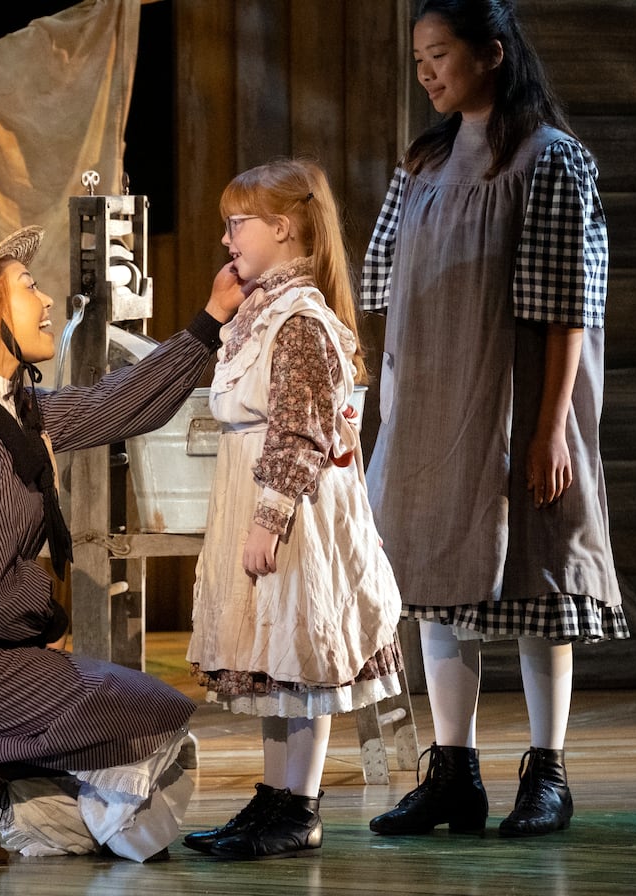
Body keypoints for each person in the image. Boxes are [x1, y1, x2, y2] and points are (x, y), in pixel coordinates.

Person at [0, 226, 245, 864]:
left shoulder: (10, 406)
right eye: (28, 287)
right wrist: (48, 615)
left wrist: (209, 322)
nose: (46, 301)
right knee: (148, 717)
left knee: (142, 717)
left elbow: (114, 406)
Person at [362, 0, 629, 840]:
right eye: (418, 58)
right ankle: (454, 774)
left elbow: (568, 307)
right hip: (431, 402)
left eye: (440, 54)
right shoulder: (424, 164)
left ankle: (548, 774)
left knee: (535, 580)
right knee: (438, 583)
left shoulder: (550, 160)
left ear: (493, 54)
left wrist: (548, 430)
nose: (426, 72)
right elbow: (382, 286)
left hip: (516, 403)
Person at [183, 158, 405, 860]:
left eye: (237, 224)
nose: (227, 239)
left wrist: (269, 516)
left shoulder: (300, 320)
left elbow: (301, 429)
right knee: (270, 658)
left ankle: (300, 806)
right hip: (256, 494)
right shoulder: (261, 312)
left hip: (293, 509)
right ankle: (275, 797)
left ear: (282, 227)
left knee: (298, 653)